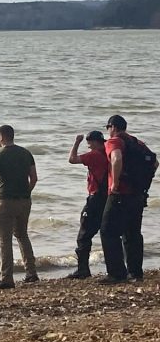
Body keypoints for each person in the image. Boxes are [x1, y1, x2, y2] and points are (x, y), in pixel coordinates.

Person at [0, 124, 38, 289]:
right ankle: (31, 273)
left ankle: (7, 278)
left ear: (2, 137)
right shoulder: (26, 153)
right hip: (25, 201)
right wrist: (25, 193)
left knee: (5, 240)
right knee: (22, 235)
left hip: (6, 202)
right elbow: (34, 178)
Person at [99, 114, 157, 284]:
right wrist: (143, 183)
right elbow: (155, 163)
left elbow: (116, 158)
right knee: (133, 233)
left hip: (120, 193)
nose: (108, 131)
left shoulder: (114, 141)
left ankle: (116, 273)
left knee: (108, 231)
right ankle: (135, 273)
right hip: (138, 194)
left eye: (108, 128)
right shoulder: (137, 143)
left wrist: (115, 183)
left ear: (113, 127)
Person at [67, 130, 109, 279]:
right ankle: (114, 268)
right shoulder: (108, 153)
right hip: (108, 198)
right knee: (107, 233)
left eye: (89, 143)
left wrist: (77, 142)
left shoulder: (95, 155)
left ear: (95, 142)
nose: (89, 146)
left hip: (95, 198)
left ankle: (83, 269)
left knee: (84, 235)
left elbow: (72, 159)